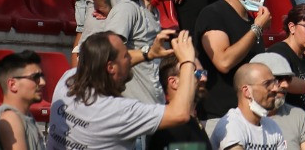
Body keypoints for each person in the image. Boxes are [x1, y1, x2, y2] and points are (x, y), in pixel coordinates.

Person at [48, 30, 203, 150]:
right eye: (126, 56)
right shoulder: (116, 112)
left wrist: (149, 53)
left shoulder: (68, 80)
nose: (130, 58)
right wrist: (187, 61)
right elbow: (180, 114)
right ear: (110, 67)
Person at [195, 0, 273, 122]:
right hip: (220, 118)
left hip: (250, 117)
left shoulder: (252, 21)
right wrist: (257, 28)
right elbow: (223, 62)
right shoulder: (213, 14)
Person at [212, 62, 289, 150]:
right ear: (247, 91)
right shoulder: (232, 126)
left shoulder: (272, 127)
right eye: (267, 84)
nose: (275, 89)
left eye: (274, 82)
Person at [0, 50, 49, 150]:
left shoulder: (24, 116)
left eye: (42, 76)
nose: (42, 82)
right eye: (35, 77)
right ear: (13, 84)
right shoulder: (10, 119)